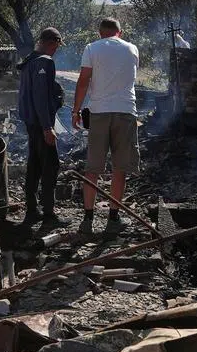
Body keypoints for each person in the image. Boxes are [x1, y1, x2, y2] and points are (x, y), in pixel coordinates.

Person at [72, 17, 139, 237]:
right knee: (120, 168)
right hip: (126, 111)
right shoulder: (132, 49)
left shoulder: (92, 48)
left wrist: (76, 111)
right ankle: (113, 219)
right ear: (120, 32)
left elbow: (83, 81)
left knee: (93, 168)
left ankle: (88, 220)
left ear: (100, 33)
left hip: (99, 112)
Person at [16, 27, 66, 228]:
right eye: (56, 46)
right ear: (52, 42)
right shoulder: (44, 62)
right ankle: (49, 214)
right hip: (40, 124)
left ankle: (32, 210)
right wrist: (47, 127)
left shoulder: (29, 61)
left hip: (30, 122)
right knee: (50, 165)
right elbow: (40, 96)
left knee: (34, 164)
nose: (56, 50)